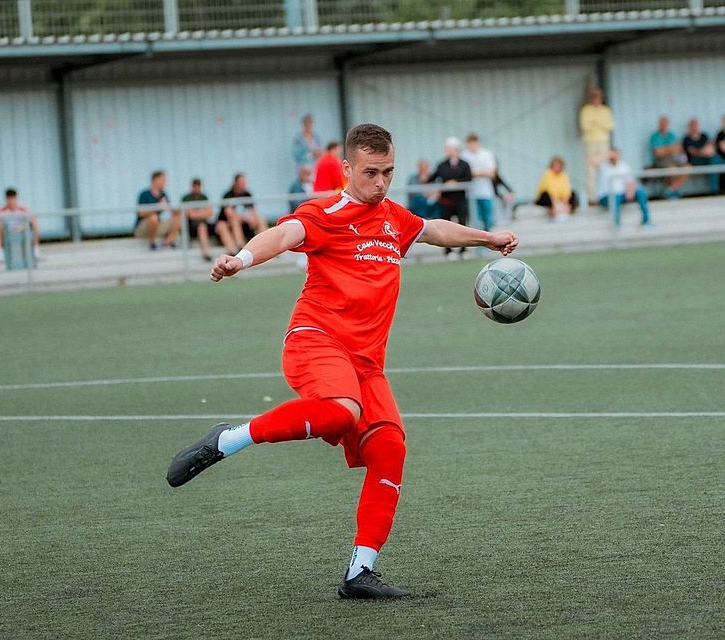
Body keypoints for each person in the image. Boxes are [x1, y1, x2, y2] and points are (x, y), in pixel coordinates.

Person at [166, 123, 519, 601]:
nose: (380, 182)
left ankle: (360, 573)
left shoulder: (394, 217)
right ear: (348, 168)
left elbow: (432, 228)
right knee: (340, 410)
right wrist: (241, 260)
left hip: (366, 363)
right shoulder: (326, 212)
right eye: (371, 172)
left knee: (390, 449)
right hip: (317, 340)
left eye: (388, 172)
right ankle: (228, 439)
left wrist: (488, 238)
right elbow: (285, 233)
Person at [427, 137, 472, 258]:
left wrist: (455, 182)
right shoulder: (442, 165)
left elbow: (469, 178)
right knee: (445, 224)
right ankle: (448, 251)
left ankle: (464, 250)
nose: (448, 151)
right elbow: (432, 178)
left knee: (463, 225)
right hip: (446, 201)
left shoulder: (464, 164)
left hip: (460, 200)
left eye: (451, 148)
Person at [595, 148, 651, 228]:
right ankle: (616, 224)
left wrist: (630, 191)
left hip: (621, 194)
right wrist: (607, 154)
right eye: (613, 154)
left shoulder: (624, 166)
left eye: (616, 154)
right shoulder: (603, 165)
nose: (615, 157)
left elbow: (630, 182)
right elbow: (593, 161)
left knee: (640, 192)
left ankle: (646, 221)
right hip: (606, 196)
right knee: (615, 197)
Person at [183, 178, 237, 261]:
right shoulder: (187, 198)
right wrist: (203, 212)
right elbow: (191, 215)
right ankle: (206, 253)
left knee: (221, 224)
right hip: (192, 227)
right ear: (192, 187)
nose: (197, 188)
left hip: (205, 223)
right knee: (202, 227)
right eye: (195, 186)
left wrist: (197, 212)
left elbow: (210, 213)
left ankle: (232, 251)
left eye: (198, 186)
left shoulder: (204, 197)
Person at [579, 86, 614, 205]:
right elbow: (585, 127)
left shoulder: (606, 110)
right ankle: (592, 198)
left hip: (603, 141)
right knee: (590, 170)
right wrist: (598, 123)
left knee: (605, 167)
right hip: (590, 142)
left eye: (598, 97)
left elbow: (609, 126)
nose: (596, 99)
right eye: (594, 97)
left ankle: (606, 194)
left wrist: (596, 122)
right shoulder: (586, 110)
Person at [0, 188, 42, 264]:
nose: (11, 202)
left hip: (20, 231)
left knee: (34, 221)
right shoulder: (1, 210)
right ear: (6, 199)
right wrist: (7, 229)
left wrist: (21, 227)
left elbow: (32, 219)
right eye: (9, 199)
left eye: (13, 199)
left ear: (16, 198)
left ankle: (36, 250)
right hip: (6, 232)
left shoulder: (23, 209)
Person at [460, 133, 497, 231]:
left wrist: (473, 173)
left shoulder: (487, 154)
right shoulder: (464, 155)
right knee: (475, 220)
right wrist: (483, 172)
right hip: (471, 193)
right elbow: (464, 173)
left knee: (488, 218)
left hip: (485, 192)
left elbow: (492, 173)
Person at [137, 171, 181, 251]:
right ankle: (152, 243)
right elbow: (140, 213)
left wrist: (178, 210)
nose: (165, 182)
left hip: (158, 224)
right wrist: (157, 206)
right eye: (163, 180)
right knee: (154, 217)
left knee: (178, 217)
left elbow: (171, 211)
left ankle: (168, 242)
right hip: (144, 226)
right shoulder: (144, 194)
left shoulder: (163, 194)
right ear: (155, 180)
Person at [220, 173, 265, 248]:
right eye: (242, 182)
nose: (244, 184)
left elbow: (253, 210)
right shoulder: (228, 195)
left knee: (260, 220)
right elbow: (229, 214)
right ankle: (241, 247)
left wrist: (253, 218)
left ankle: (267, 243)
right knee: (235, 221)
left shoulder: (247, 194)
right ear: (236, 183)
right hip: (230, 221)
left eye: (245, 182)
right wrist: (245, 218)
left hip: (245, 220)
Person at [649, 115, 690, 198]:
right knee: (672, 169)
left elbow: (678, 149)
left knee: (688, 167)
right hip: (661, 161)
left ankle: (671, 189)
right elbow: (658, 153)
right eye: (662, 123)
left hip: (674, 159)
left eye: (665, 123)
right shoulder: (655, 136)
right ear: (659, 124)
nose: (664, 125)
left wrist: (666, 149)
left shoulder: (671, 135)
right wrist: (670, 149)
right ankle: (673, 191)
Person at [682, 118, 723, 194]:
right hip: (695, 161)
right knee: (715, 162)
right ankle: (714, 190)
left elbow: (711, 148)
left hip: (707, 159)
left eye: (696, 125)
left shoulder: (704, 136)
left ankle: (717, 188)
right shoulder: (687, 139)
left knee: (715, 160)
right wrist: (703, 151)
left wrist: (704, 151)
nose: (694, 127)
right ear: (689, 127)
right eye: (692, 125)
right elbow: (692, 152)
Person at [535, 156, 579, 220]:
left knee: (573, 194)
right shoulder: (547, 174)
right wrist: (555, 203)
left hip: (560, 199)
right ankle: (554, 211)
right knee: (545, 194)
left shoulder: (564, 175)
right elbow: (548, 189)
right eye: (555, 165)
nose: (557, 167)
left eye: (559, 166)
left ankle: (567, 210)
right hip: (549, 199)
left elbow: (567, 190)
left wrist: (565, 201)